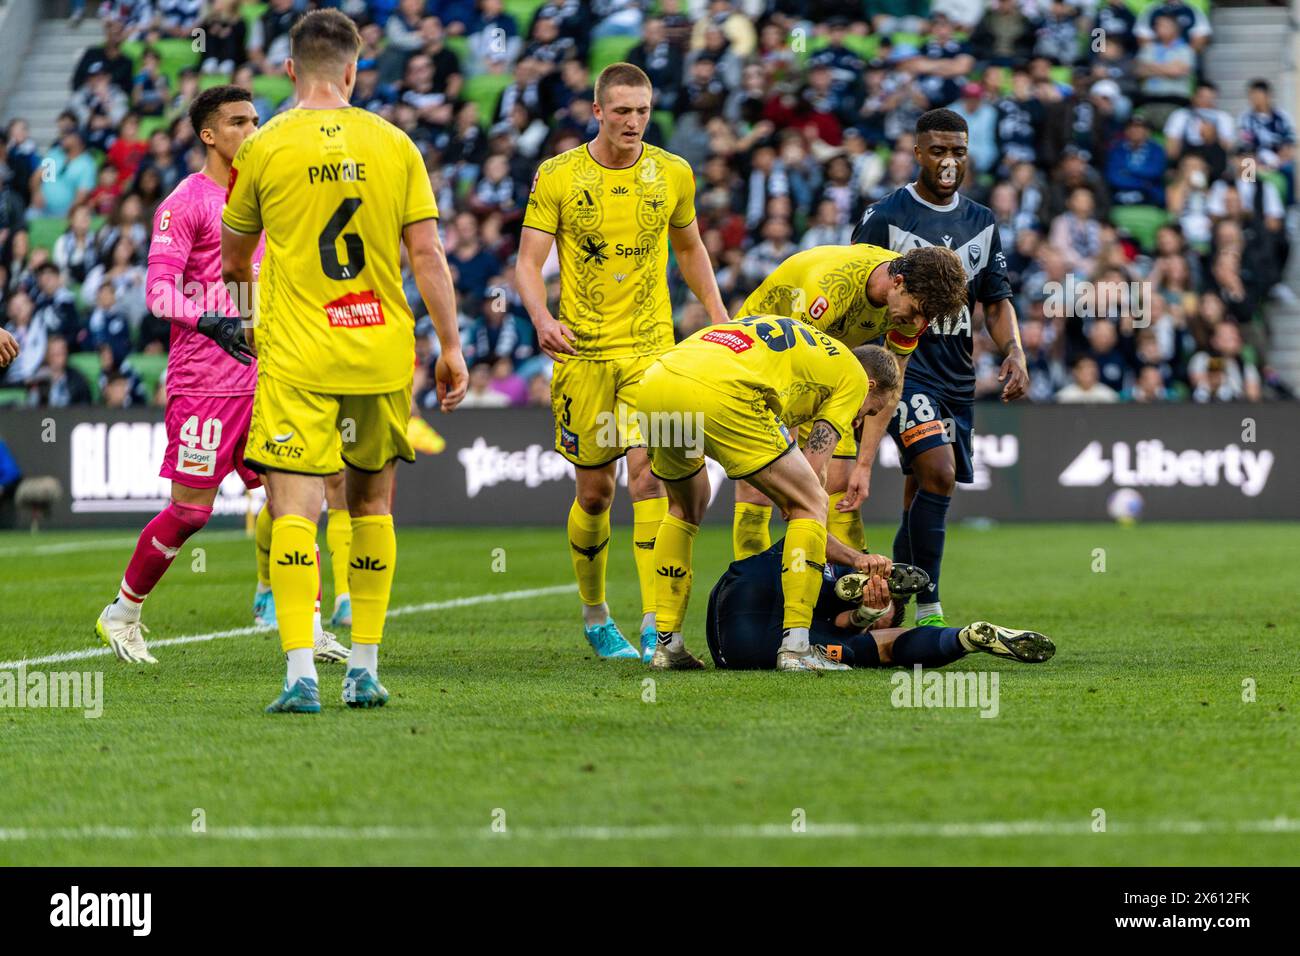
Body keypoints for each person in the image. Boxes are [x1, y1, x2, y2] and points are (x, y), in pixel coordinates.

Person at [221, 9, 468, 714]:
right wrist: (450, 347)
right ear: (355, 70)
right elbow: (428, 255)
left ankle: (301, 672)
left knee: (295, 509)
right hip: (380, 352)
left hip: (299, 354)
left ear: (290, 71)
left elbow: (235, 256)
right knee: (371, 505)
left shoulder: (264, 148)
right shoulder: (395, 143)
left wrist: (249, 314)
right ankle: (364, 667)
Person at [94, 84, 350, 667]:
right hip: (205, 382)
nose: (252, 130)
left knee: (296, 505)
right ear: (209, 134)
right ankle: (124, 612)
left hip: (271, 376)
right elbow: (157, 293)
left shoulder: (271, 198)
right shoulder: (186, 202)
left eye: (257, 120)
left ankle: (306, 628)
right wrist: (212, 320)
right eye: (238, 122)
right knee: (190, 512)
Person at [517, 61, 728, 663]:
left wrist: (716, 313)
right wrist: (541, 319)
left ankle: (656, 623)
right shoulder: (557, 175)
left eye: (642, 111)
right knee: (593, 495)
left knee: (648, 475)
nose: (634, 122)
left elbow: (689, 248)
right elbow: (528, 264)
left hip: (653, 351)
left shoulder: (672, 173)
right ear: (598, 111)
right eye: (623, 111)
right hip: (583, 354)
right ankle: (595, 614)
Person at [637, 317, 901, 672]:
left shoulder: (811, 359)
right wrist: (852, 555)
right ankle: (796, 648)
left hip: (658, 381)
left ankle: (667, 645)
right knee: (811, 502)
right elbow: (810, 480)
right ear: (869, 385)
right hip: (722, 391)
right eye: (868, 411)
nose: (858, 421)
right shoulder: (852, 377)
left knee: (684, 508)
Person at [851, 107, 1029, 630]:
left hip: (957, 375)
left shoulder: (982, 222)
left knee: (922, 490)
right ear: (917, 153)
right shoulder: (884, 215)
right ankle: (929, 603)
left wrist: (1014, 350)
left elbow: (995, 302)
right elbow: (860, 297)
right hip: (902, 367)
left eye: (958, 151)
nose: (949, 161)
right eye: (938, 150)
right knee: (940, 473)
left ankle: (892, 602)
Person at [729, 243, 969, 561]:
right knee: (758, 484)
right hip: (760, 358)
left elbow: (889, 387)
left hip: (823, 365)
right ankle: (750, 593)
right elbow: (792, 368)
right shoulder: (830, 289)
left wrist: (864, 466)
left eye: (926, 317)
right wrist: (792, 451)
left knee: (839, 479)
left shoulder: (912, 304)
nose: (916, 323)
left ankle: (843, 593)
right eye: (915, 311)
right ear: (898, 283)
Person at [707, 539, 1055, 670]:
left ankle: (966, 637)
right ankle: (961, 639)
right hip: (766, 615)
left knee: (851, 643)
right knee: (864, 647)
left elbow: (807, 525)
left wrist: (863, 615)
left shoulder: (843, 626)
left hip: (749, 621)